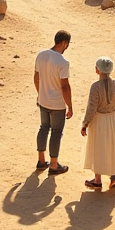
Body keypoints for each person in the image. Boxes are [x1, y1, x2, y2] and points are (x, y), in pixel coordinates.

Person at [80, 56, 115, 190]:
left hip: (100, 120)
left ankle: (97, 180)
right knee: (112, 146)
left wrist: (85, 124)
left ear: (98, 70)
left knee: (98, 148)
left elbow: (91, 107)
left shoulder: (95, 87)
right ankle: (113, 175)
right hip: (113, 118)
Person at [34, 30, 73, 175]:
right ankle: (54, 164)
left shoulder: (41, 55)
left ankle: (41, 160)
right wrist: (70, 105)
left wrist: (41, 94)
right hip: (57, 104)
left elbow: (36, 77)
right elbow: (64, 86)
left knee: (43, 127)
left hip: (43, 100)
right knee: (56, 132)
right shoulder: (63, 62)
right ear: (64, 43)